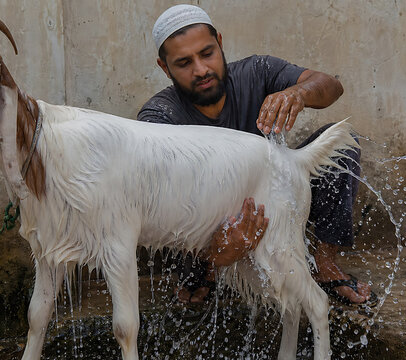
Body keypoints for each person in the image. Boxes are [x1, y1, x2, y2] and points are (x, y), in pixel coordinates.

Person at [138, 4, 374, 306]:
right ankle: (205, 273)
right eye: (184, 62)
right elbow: (158, 203)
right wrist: (214, 252)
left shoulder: (257, 72)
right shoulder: (159, 117)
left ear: (220, 44)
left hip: (275, 204)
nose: (201, 70)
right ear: (164, 67)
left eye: (207, 53)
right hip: (208, 230)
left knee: (342, 144)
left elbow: (331, 86)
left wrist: (298, 94)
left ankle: (325, 265)